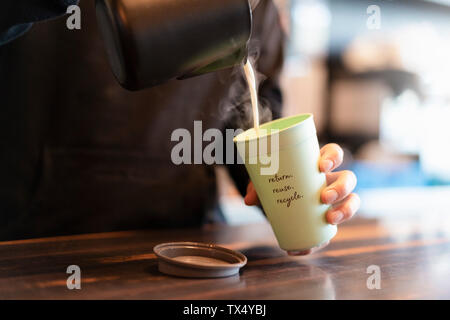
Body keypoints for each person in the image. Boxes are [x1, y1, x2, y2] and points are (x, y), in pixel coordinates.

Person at [0, 0, 359, 254]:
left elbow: (246, 121)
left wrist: (295, 192)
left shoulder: (256, 5)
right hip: (43, 247)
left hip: (191, 249)